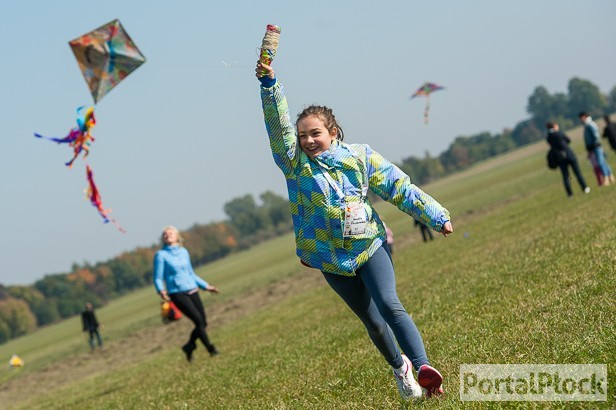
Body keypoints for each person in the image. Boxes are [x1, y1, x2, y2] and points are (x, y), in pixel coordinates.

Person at [256, 61, 452, 400]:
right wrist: (269, 85)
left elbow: (398, 187)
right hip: (329, 258)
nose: (308, 140)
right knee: (373, 322)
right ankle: (400, 368)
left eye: (315, 133)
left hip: (369, 245)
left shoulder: (360, 156)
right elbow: (277, 126)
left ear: (333, 132)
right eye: (302, 136)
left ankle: (422, 367)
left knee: (390, 305)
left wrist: (436, 216)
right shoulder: (294, 165)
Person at [153, 226, 220, 361]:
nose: (168, 236)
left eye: (170, 233)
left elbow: (191, 273)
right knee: (198, 321)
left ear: (177, 236)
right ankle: (211, 349)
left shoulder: (184, 252)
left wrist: (206, 286)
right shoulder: (161, 255)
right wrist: (161, 290)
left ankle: (189, 346)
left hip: (192, 289)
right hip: (177, 293)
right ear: (163, 239)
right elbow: (158, 277)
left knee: (203, 323)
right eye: (165, 235)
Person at [545, 121, 590, 197]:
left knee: (566, 176)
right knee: (577, 173)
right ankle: (584, 187)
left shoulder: (548, 137)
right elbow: (568, 140)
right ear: (555, 126)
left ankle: (570, 193)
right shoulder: (559, 133)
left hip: (559, 158)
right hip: (569, 155)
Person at [579, 112, 614, 186]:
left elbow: (596, 135)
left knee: (600, 162)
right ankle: (610, 176)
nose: (580, 119)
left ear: (585, 116)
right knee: (603, 161)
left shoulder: (589, 124)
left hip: (596, 146)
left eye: (581, 117)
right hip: (594, 147)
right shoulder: (587, 124)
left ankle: (606, 178)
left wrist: (594, 144)